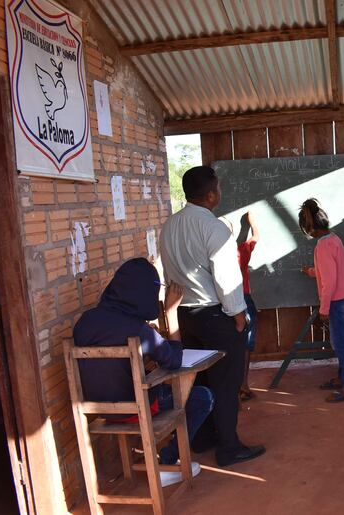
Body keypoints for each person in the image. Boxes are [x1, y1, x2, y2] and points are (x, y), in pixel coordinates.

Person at [73, 258, 213, 486]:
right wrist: (171, 313)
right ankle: (165, 463)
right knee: (202, 397)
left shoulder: (85, 321)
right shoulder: (138, 330)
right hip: (136, 410)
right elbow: (174, 360)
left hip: (97, 410)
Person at [160, 166, 265, 468]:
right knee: (227, 383)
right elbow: (226, 277)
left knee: (200, 380)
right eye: (217, 188)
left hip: (185, 315)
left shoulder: (170, 226)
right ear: (210, 194)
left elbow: (170, 274)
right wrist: (238, 315)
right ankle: (229, 447)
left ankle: (203, 438)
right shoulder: (214, 228)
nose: (219, 192)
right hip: (215, 314)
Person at [299, 198, 344, 403]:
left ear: (310, 227)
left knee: (339, 343)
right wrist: (312, 272)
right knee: (340, 340)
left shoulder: (323, 246)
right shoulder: (333, 238)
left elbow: (330, 280)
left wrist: (324, 308)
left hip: (336, 299)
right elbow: (331, 271)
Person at [237, 211, 260, 401]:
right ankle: (243, 384)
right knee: (246, 344)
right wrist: (252, 222)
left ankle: (234, 385)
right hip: (242, 299)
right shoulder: (241, 251)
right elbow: (256, 237)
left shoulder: (213, 255)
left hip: (222, 302)